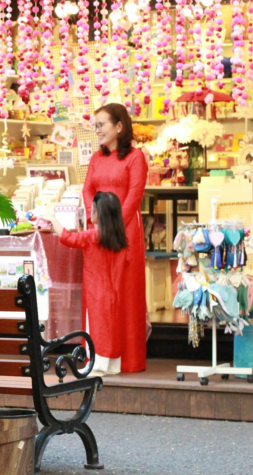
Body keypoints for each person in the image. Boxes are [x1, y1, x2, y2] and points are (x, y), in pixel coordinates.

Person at [83, 103, 148, 374]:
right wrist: (94, 219)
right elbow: (87, 190)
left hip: (125, 233)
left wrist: (111, 226)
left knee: (125, 294)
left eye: (101, 125)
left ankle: (128, 359)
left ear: (119, 126)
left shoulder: (135, 157)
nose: (96, 130)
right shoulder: (96, 158)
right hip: (99, 235)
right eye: (95, 125)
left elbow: (134, 196)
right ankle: (98, 357)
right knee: (99, 295)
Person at [44, 192, 129, 377]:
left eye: (93, 208)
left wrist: (52, 218)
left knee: (98, 328)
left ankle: (97, 366)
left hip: (97, 292)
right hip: (115, 292)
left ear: (101, 214)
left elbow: (67, 238)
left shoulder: (92, 236)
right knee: (112, 327)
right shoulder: (120, 240)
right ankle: (112, 365)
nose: (91, 211)